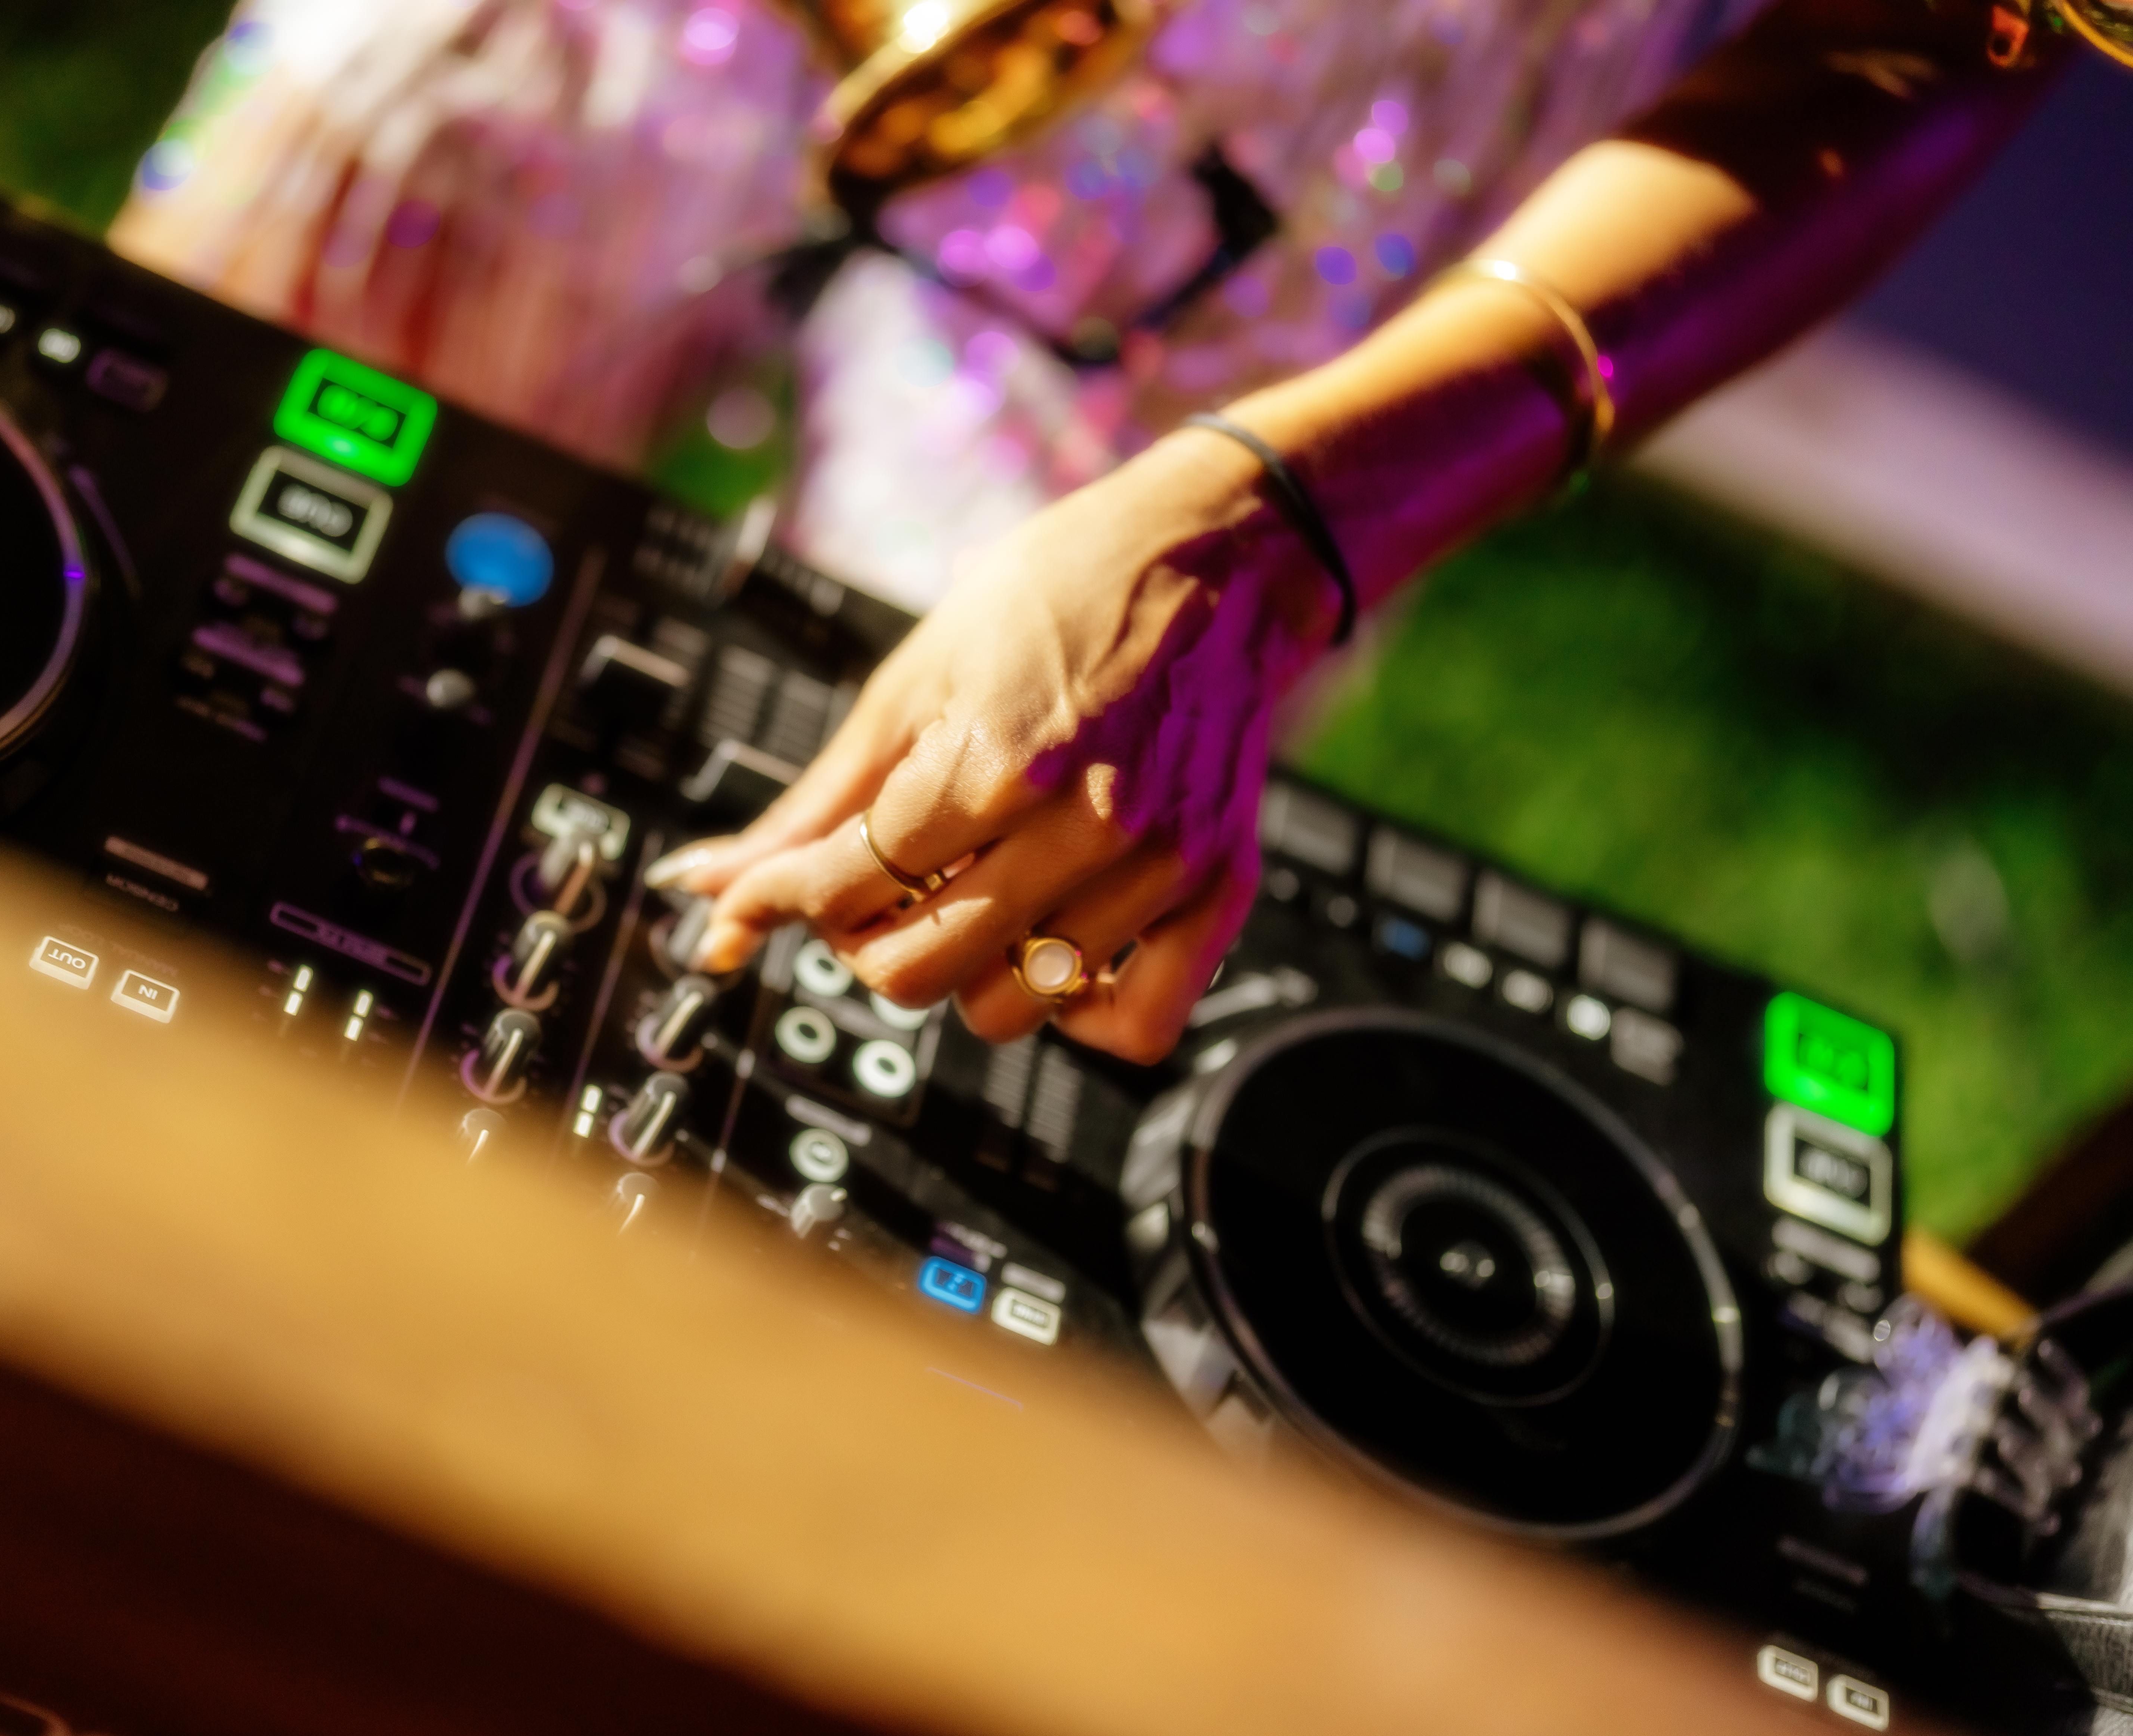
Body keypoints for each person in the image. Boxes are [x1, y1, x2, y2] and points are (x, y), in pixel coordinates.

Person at [116, 0, 2070, 1063]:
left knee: (832, 1018)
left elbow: (1962, 21)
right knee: (159, 621)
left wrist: (1291, 512)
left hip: (1298, 160)